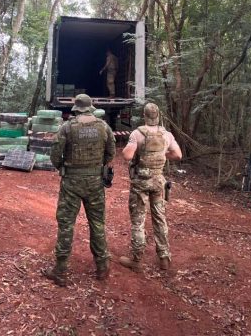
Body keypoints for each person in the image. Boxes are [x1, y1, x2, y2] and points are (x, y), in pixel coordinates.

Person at [43, 94, 115, 287]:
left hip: (72, 182)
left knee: (66, 224)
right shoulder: (103, 127)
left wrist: (64, 168)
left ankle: (60, 271)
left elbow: (55, 154)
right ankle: (102, 266)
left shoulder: (67, 127)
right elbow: (111, 153)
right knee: (97, 224)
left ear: (76, 108)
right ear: (90, 107)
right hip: (95, 183)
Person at [119, 102, 182, 272]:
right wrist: (162, 154)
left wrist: (140, 152)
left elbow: (127, 155)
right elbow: (178, 154)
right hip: (158, 182)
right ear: (159, 116)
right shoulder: (166, 134)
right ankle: (164, 258)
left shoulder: (137, 134)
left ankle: (136, 259)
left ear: (144, 116)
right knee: (159, 218)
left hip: (141, 182)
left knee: (138, 220)